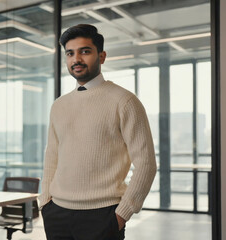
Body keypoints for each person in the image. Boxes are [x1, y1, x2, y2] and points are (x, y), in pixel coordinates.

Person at [39, 24, 157, 240]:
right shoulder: (59, 105)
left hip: (102, 216)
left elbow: (146, 164)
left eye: (85, 51)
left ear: (101, 56)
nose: (77, 59)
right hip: (57, 213)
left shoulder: (124, 101)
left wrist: (121, 215)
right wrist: (45, 203)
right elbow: (52, 157)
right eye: (70, 53)